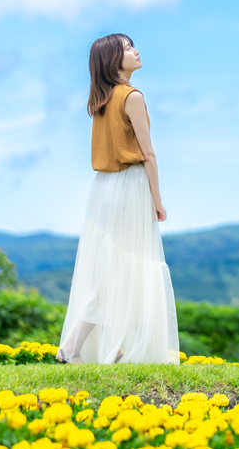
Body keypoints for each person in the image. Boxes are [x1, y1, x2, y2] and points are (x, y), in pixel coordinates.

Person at [56, 34, 180, 364]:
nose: (136, 51)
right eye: (127, 48)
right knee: (126, 267)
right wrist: (157, 198)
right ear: (113, 60)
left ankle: (115, 345)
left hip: (103, 188)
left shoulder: (101, 100)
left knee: (112, 267)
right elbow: (148, 154)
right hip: (130, 184)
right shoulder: (132, 97)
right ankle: (75, 346)